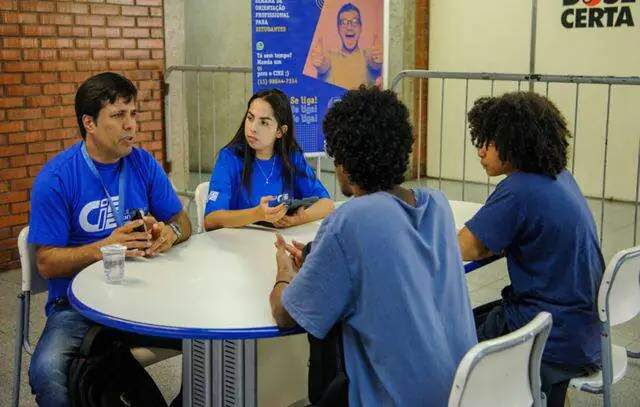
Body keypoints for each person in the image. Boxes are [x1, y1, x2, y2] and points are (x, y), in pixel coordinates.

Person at [269, 86, 477, 406]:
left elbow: (286, 314)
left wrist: (285, 272)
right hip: (460, 391)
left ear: (344, 161)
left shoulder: (351, 220)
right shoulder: (435, 205)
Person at [28, 72, 192, 407]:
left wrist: (168, 236)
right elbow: (46, 262)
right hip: (76, 306)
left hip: (144, 293)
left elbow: (182, 220)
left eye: (133, 114)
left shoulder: (143, 163)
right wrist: (105, 249)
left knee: (218, 341)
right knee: (46, 372)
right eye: (118, 116)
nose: (131, 126)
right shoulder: (57, 178)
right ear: (88, 122)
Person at [457, 91, 604, 407]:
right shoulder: (559, 178)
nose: (480, 150)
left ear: (517, 142)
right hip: (583, 333)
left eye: (490, 141)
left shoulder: (518, 190)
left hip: (550, 340)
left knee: (449, 341)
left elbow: (464, 248)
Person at [204, 88, 334, 230]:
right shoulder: (229, 158)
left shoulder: (291, 157)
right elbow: (211, 220)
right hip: (239, 246)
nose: (252, 128)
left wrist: (299, 219)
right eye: (250, 118)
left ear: (280, 131)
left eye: (264, 123)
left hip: (280, 244)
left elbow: (326, 204)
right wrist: (256, 214)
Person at [311, 2, 382, 89]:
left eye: (355, 22)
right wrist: (320, 64)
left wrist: (377, 60)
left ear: (361, 27)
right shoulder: (330, 58)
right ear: (338, 29)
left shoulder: (367, 56)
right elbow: (324, 65)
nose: (349, 27)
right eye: (344, 22)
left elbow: (373, 62)